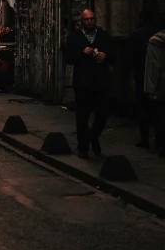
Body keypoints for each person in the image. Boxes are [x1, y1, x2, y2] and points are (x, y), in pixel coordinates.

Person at [63, 8, 115, 158]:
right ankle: (83, 148)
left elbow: (114, 56)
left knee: (102, 114)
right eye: (86, 19)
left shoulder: (103, 36)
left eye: (92, 18)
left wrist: (106, 55)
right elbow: (68, 58)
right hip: (83, 83)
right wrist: (82, 53)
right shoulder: (75, 38)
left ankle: (93, 136)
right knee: (82, 117)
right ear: (82, 22)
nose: (90, 21)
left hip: (101, 83)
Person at [122, 12, 162, 148]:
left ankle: (145, 139)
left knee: (143, 108)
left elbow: (129, 58)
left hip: (142, 75)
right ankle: (159, 140)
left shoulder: (138, 36)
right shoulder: (158, 33)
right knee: (158, 110)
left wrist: (125, 74)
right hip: (159, 78)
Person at [144, 26, 165, 156]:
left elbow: (153, 67)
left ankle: (162, 145)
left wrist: (150, 89)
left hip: (161, 87)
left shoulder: (156, 41)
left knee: (160, 116)